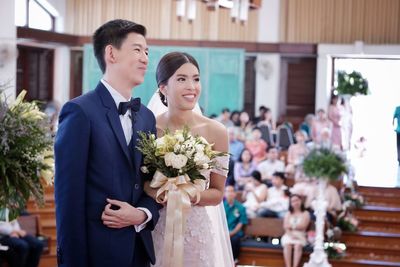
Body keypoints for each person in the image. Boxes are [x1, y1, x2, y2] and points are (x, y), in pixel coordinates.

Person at [54, 19, 160, 267]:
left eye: (147, 51)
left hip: (138, 252)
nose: (145, 58)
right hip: (96, 255)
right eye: (137, 50)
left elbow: (153, 182)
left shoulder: (146, 116)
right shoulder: (80, 111)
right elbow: (68, 199)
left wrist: (141, 214)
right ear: (111, 53)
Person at [145, 52, 234, 266]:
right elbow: (142, 183)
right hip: (157, 229)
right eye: (182, 79)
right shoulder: (148, 127)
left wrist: (187, 194)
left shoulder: (217, 131)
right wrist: (164, 193)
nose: (191, 87)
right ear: (163, 87)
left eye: (196, 79)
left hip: (197, 233)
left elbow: (216, 193)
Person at [281, 194, 310, 267]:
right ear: (290, 203)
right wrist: (291, 234)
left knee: (298, 246)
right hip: (289, 234)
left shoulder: (305, 213)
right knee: (287, 245)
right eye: (293, 201)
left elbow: (303, 226)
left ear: (300, 201)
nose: (295, 203)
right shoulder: (288, 213)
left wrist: (291, 226)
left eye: (297, 200)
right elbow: (285, 226)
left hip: (300, 235)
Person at [224, 185, 248, 262]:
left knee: (234, 239)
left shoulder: (241, 207)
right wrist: (223, 232)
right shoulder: (221, 206)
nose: (230, 193)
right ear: (224, 193)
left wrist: (231, 233)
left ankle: (234, 260)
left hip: (235, 232)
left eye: (232, 191)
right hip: (223, 231)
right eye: (228, 191)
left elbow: (241, 223)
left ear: (235, 193)